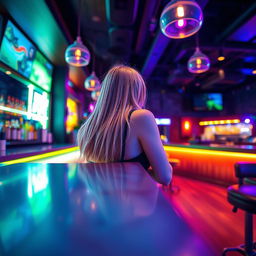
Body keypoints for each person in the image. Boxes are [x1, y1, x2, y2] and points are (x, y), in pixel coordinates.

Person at [77, 65, 172, 185]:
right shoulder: (141, 117)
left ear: (105, 92)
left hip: (98, 202)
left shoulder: (87, 128)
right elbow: (165, 176)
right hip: (132, 202)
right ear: (137, 91)